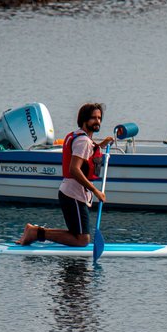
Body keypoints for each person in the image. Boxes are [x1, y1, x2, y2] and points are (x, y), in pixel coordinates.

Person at [17, 103, 114, 247]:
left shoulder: (78, 136)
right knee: (82, 240)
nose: (97, 121)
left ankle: (35, 232)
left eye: (99, 118)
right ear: (84, 119)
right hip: (74, 195)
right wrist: (95, 191)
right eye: (93, 118)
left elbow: (86, 154)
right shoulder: (83, 141)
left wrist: (100, 145)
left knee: (77, 234)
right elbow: (74, 169)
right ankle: (35, 233)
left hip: (70, 192)